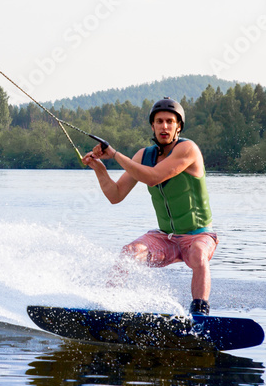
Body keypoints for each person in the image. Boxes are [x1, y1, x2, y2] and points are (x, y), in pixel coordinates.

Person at [82, 97, 217, 315]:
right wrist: (99, 168)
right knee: (128, 252)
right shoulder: (144, 156)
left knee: (199, 254)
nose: (164, 127)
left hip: (198, 235)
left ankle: (200, 314)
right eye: (159, 121)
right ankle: (106, 307)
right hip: (166, 237)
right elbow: (116, 195)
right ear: (152, 126)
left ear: (178, 127)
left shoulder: (188, 149)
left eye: (170, 122)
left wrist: (114, 154)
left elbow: (153, 177)